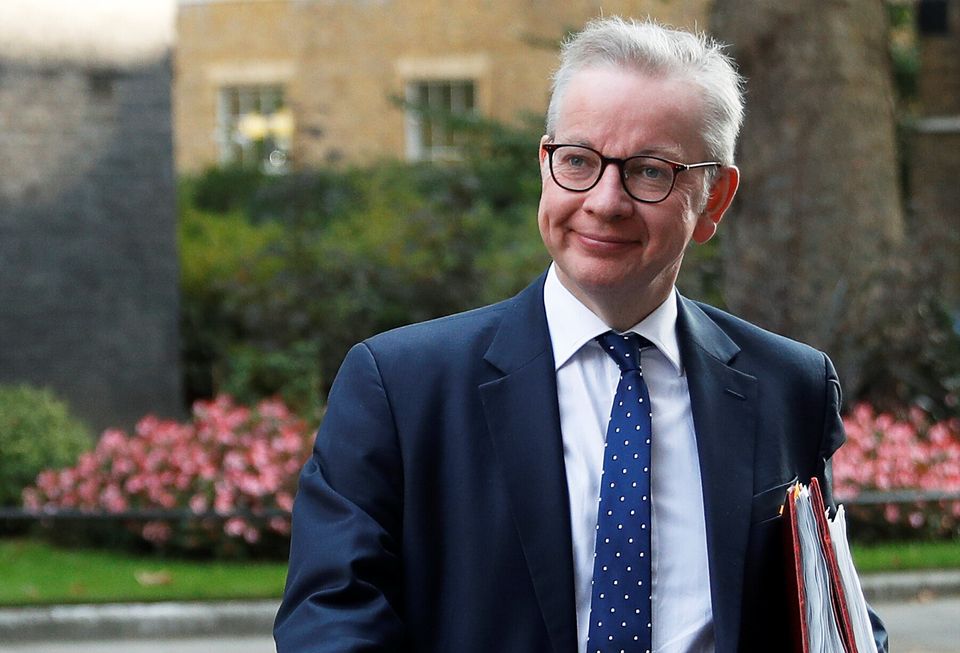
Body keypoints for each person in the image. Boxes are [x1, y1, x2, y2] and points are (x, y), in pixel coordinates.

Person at [275, 17, 888, 653]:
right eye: (579, 161)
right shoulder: (400, 386)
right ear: (545, 165)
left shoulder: (789, 386)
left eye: (650, 171)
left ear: (714, 199)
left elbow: (828, 612)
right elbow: (330, 620)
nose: (605, 200)